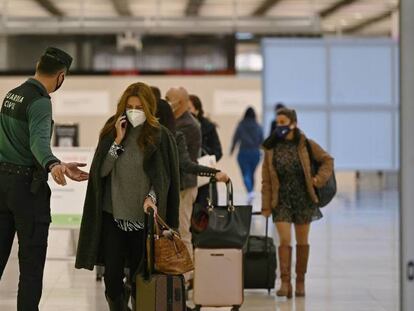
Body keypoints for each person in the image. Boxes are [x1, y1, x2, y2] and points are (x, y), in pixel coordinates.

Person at [75, 82, 180, 310]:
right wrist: (117, 141)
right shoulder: (112, 130)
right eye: (130, 106)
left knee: (139, 279)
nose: (134, 111)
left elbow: (163, 179)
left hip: (143, 221)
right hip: (113, 216)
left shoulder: (160, 136)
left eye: (140, 107)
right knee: (112, 281)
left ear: (149, 108)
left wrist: (152, 198)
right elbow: (100, 172)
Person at [0, 47, 89, 311]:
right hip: (27, 190)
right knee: (31, 264)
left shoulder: (12, 94)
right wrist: (52, 164)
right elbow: (38, 144)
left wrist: (57, 163)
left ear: (39, 65)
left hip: (3, 185)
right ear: (61, 76)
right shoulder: (40, 101)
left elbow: (19, 142)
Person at [261, 108, 334, 298]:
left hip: (303, 199)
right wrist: (266, 205)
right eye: (278, 123)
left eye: (283, 122)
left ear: (293, 123)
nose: (280, 127)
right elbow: (266, 180)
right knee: (284, 240)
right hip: (281, 200)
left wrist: (318, 179)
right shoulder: (270, 149)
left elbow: (327, 160)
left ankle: (300, 281)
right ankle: (285, 283)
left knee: (302, 242)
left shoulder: (306, 144)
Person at [165, 87, 201, 281]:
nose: (165, 102)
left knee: (183, 229)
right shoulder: (176, 122)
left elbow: (181, 159)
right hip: (175, 185)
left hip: (184, 185)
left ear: (179, 102)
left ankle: (187, 276)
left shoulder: (187, 125)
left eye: (168, 99)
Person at [188, 94, 223, 206]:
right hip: (188, 176)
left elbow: (218, 151)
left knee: (205, 211)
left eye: (189, 108)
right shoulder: (181, 126)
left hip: (205, 177)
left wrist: (204, 156)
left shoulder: (208, 127)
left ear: (197, 110)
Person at [230, 107, 263, 204]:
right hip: (255, 153)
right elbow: (262, 139)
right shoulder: (258, 126)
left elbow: (235, 137)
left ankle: (250, 191)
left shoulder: (241, 125)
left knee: (246, 173)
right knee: (252, 173)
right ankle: (251, 191)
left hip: (243, 152)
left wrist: (232, 150)